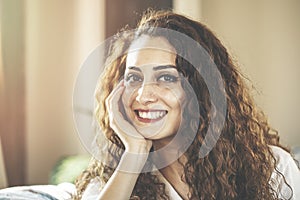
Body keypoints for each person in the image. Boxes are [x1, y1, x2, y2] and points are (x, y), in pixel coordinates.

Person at [73, 10, 300, 200]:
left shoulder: (273, 169)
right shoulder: (111, 183)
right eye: (134, 78)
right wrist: (135, 153)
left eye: (166, 78)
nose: (143, 95)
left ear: (202, 91)